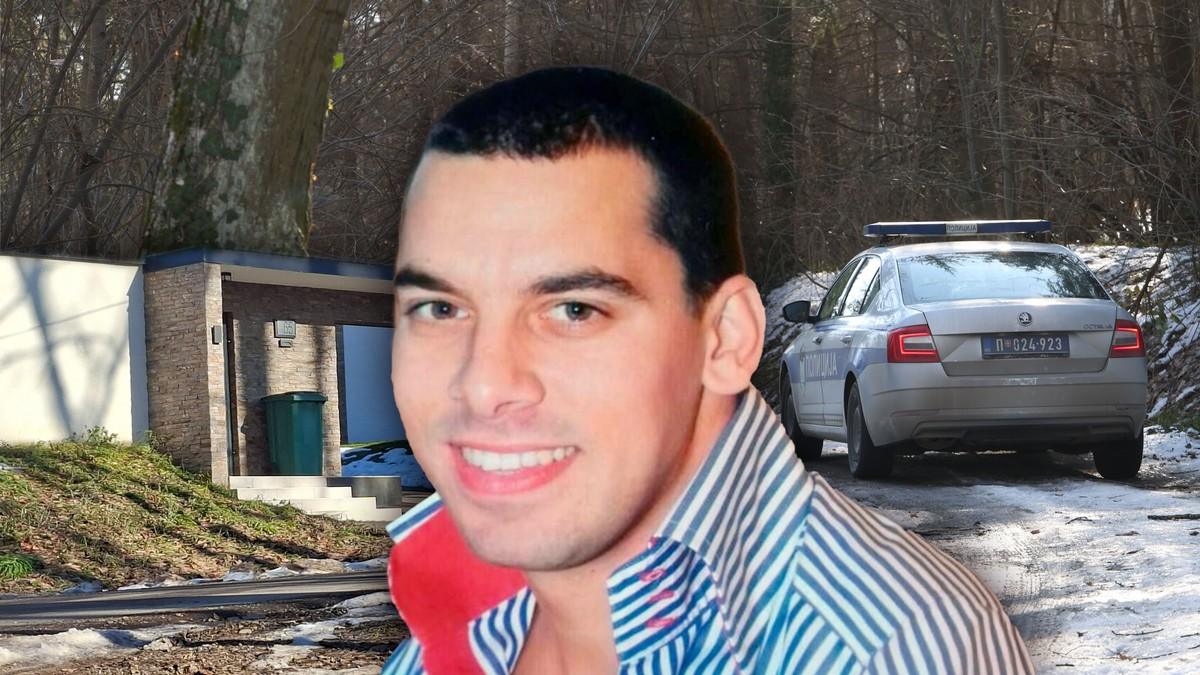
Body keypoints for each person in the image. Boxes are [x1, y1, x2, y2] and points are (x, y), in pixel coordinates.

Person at [382, 66, 1033, 674]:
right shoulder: (447, 638)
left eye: (574, 309)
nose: (484, 383)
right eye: (440, 308)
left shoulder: (886, 651)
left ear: (725, 340)